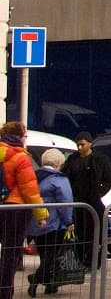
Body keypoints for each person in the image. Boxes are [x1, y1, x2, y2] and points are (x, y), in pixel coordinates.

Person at [2, 122, 49, 299]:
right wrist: (41, 214)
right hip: (16, 209)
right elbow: (30, 190)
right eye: (25, 136)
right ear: (19, 137)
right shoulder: (21, 157)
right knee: (11, 254)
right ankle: (5, 292)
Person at [60, 133, 111, 273]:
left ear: (90, 144)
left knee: (94, 233)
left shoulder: (99, 159)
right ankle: (79, 261)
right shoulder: (72, 159)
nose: (79, 147)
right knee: (79, 233)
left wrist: (99, 192)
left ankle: (92, 262)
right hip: (77, 202)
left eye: (82, 144)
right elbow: (65, 176)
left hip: (93, 202)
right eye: (78, 144)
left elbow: (108, 179)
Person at [25, 148, 73, 298]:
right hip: (54, 223)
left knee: (44, 254)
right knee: (52, 255)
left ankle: (50, 285)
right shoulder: (59, 179)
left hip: (35, 223)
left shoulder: (34, 176)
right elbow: (65, 202)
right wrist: (69, 221)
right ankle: (36, 278)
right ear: (58, 163)